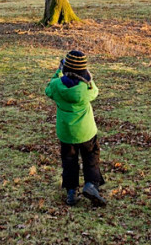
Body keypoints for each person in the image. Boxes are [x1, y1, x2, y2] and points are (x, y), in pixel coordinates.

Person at [45, 49, 106, 207]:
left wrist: (58, 71)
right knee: (91, 157)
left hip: (66, 133)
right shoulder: (87, 88)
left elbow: (48, 89)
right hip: (86, 132)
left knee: (69, 161)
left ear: (66, 69)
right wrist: (88, 76)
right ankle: (91, 184)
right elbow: (95, 90)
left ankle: (71, 192)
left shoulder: (57, 85)